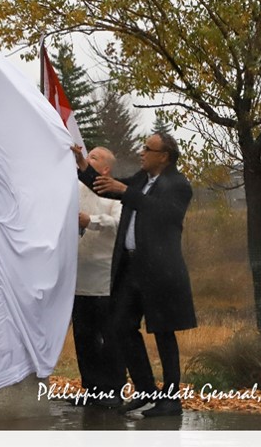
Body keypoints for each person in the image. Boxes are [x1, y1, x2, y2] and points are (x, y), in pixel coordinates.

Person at [73, 132, 197, 417]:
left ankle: (170, 398)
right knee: (120, 326)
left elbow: (161, 212)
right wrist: (82, 164)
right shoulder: (142, 180)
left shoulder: (177, 185)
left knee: (164, 332)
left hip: (159, 270)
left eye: (147, 149)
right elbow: (103, 187)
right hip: (131, 269)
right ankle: (145, 390)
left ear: (163, 156)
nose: (141, 153)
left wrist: (125, 191)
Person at [73, 147, 125, 408]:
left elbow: (118, 224)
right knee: (83, 338)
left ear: (105, 169)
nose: (87, 161)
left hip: (105, 278)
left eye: (94, 158)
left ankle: (114, 389)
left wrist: (91, 220)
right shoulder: (75, 189)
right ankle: (91, 389)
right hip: (77, 276)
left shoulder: (115, 194)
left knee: (109, 337)